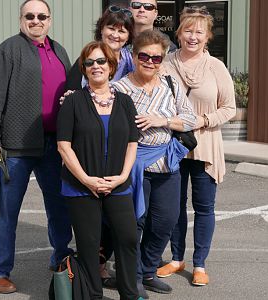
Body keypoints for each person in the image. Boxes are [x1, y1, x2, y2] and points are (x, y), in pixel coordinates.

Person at [0, 0, 73, 294]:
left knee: (60, 208)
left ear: (50, 20)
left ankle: (60, 257)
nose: (36, 21)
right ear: (21, 19)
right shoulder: (8, 50)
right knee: (7, 212)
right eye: (29, 16)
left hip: (54, 145)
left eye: (41, 16)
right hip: (15, 148)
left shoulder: (59, 51)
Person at [113, 30, 196, 299]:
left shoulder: (170, 84)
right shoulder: (119, 89)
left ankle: (148, 270)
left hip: (167, 164)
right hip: (133, 164)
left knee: (165, 221)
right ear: (134, 56)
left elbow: (190, 119)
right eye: (144, 56)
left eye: (156, 58)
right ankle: (133, 277)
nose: (150, 62)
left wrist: (163, 120)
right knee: (135, 224)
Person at [157, 6, 236, 286]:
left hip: (205, 147)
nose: (193, 36)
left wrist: (201, 120)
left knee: (204, 207)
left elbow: (229, 108)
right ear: (179, 33)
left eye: (199, 32)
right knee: (173, 207)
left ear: (207, 37)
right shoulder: (165, 63)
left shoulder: (216, 67)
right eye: (188, 30)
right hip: (172, 146)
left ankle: (200, 263)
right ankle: (176, 259)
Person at [57, 41, 141, 300]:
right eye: (90, 63)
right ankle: (92, 295)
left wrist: (124, 176)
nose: (96, 67)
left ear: (111, 65)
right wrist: (86, 180)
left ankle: (129, 293)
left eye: (101, 61)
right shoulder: (72, 103)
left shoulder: (125, 102)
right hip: (80, 186)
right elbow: (63, 146)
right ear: (83, 69)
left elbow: (132, 143)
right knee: (89, 245)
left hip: (118, 183)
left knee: (127, 238)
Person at [66, 5, 134, 90]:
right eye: (111, 28)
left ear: (128, 36)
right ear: (102, 29)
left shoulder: (133, 62)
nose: (115, 35)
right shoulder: (86, 60)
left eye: (121, 31)